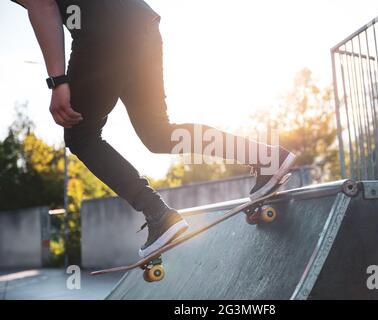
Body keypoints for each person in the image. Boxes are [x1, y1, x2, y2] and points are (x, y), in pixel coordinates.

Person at [11, 0, 296, 257]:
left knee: (81, 135)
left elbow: (44, 5)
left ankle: (158, 214)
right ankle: (266, 157)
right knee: (157, 133)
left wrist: (58, 81)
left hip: (101, 35)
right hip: (141, 24)